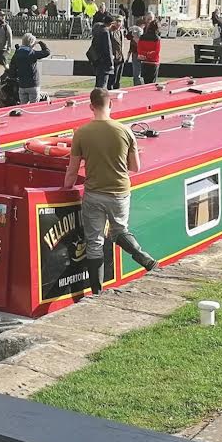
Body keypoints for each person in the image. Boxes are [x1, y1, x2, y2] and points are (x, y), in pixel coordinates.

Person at [63, 88, 156, 297]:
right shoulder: (126, 131)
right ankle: (143, 258)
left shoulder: (81, 132)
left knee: (94, 242)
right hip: (120, 191)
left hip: (94, 193)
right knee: (119, 231)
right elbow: (135, 167)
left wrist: (65, 188)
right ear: (111, 105)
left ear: (90, 106)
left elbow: (72, 169)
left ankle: (97, 293)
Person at [10, 34, 50, 104]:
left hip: (22, 85)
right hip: (33, 84)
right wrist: (40, 43)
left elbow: (12, 68)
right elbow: (47, 52)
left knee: (23, 107)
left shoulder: (17, 53)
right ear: (32, 43)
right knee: (33, 107)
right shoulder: (32, 53)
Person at [88, 14, 115, 89]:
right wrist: (111, 63)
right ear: (111, 23)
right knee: (102, 85)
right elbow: (108, 48)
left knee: (98, 83)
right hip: (104, 62)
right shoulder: (105, 32)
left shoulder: (97, 30)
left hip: (97, 60)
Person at [136, 15, 161, 84]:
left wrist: (145, 54)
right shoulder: (157, 38)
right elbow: (157, 51)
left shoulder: (142, 37)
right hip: (153, 62)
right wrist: (149, 54)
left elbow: (139, 49)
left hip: (144, 61)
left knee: (146, 82)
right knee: (152, 83)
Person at [108, 16, 125, 88]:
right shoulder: (110, 32)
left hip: (120, 58)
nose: (118, 23)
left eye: (120, 21)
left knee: (118, 81)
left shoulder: (120, 32)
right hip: (114, 59)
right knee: (112, 80)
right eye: (117, 21)